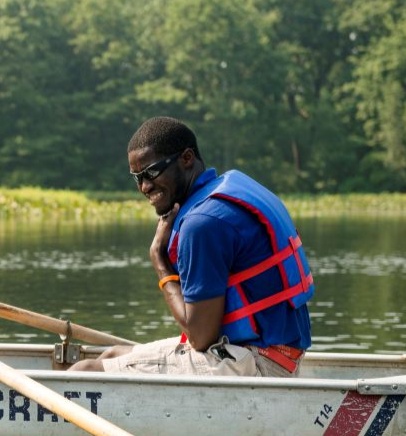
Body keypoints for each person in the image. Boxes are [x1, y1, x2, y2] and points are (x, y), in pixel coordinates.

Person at [71, 116, 313, 376]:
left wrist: (159, 261)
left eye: (152, 171)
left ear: (187, 158)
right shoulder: (229, 190)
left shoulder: (201, 223)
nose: (144, 186)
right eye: (137, 177)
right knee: (112, 354)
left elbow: (200, 337)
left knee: (84, 371)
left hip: (256, 364)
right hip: (271, 356)